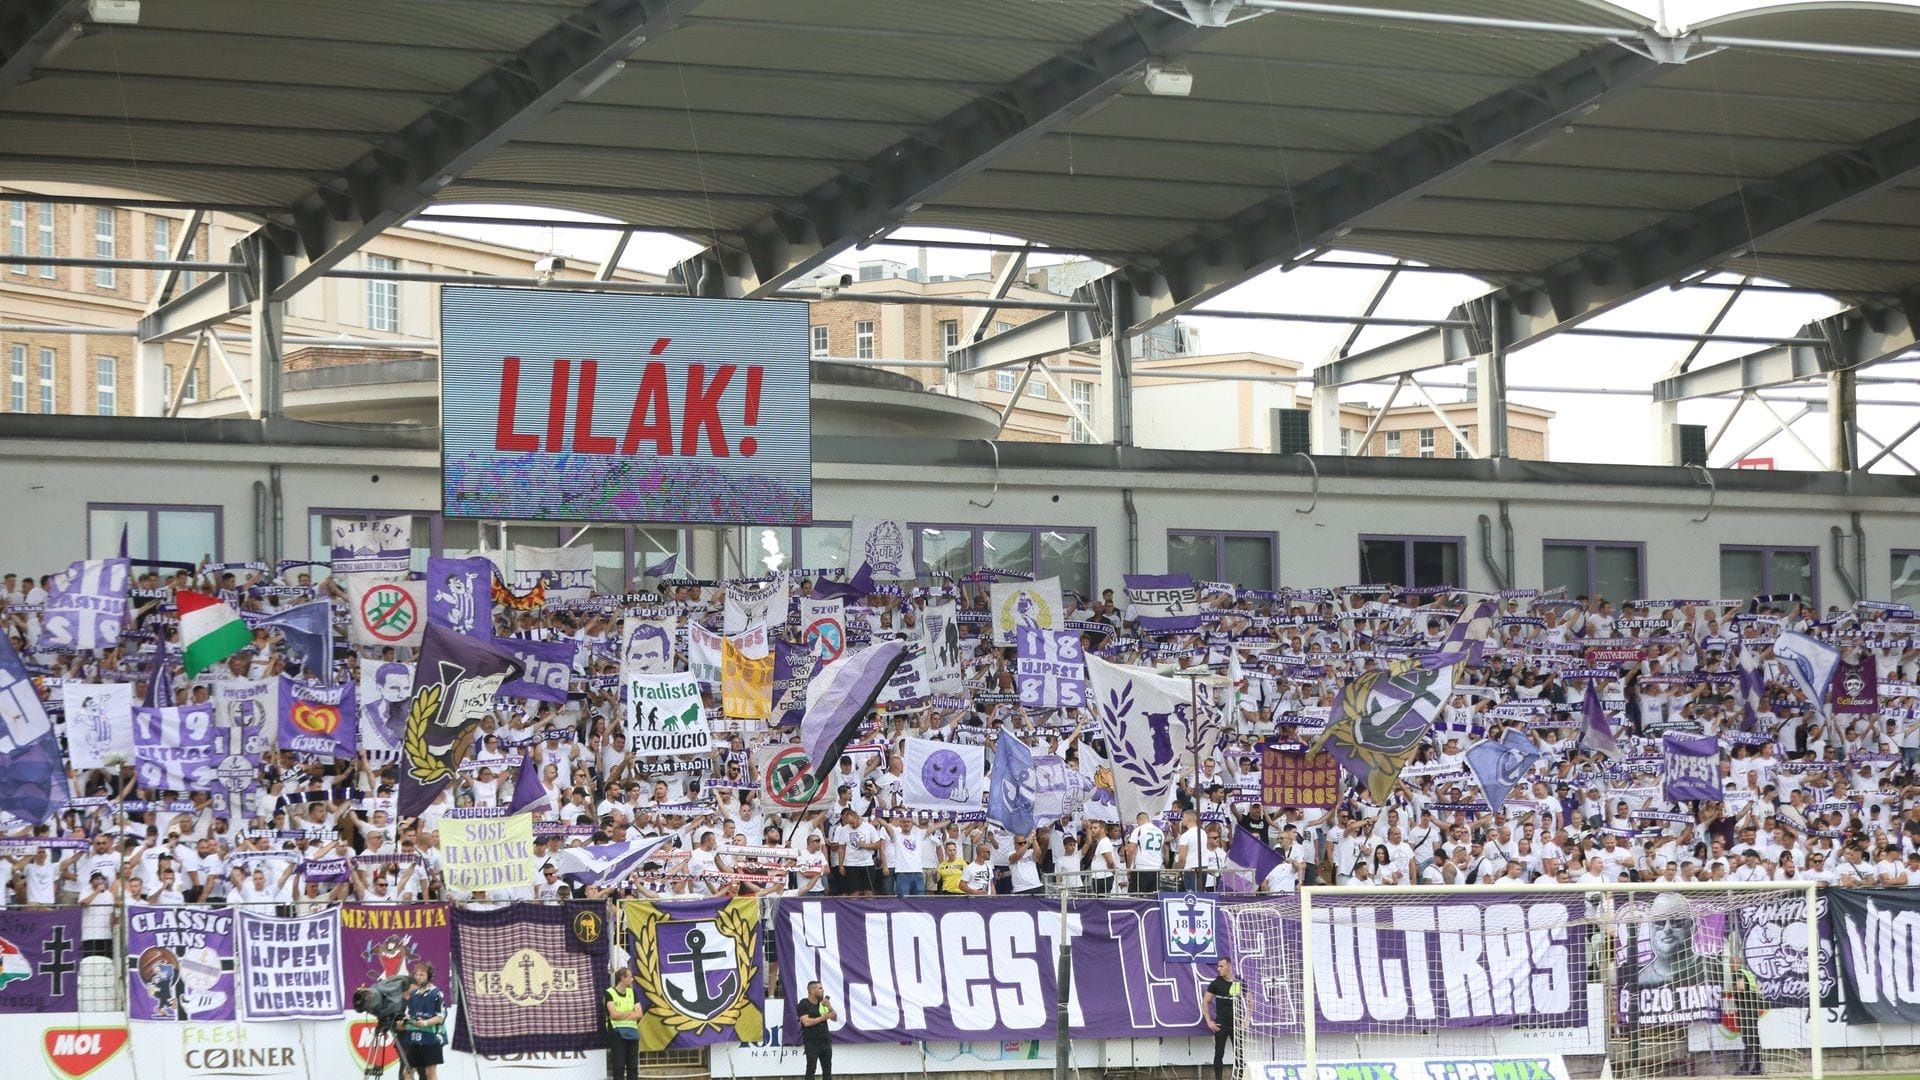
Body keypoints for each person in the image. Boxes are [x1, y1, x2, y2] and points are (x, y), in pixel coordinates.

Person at [399, 961, 445, 1080]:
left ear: (429, 976)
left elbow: (440, 1017)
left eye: (422, 975)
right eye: (417, 975)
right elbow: (408, 1015)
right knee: (407, 1072)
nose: (418, 977)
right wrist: (403, 1022)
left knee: (430, 1073)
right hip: (414, 1037)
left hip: (431, 1037)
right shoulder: (413, 994)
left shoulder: (437, 993)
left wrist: (425, 1023)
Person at [1202, 956, 1241, 1080]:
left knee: (1239, 1055)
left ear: (1229, 966)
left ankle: (1239, 1078)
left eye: (1221, 966)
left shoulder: (1238, 982)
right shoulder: (1216, 983)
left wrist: (1247, 1020)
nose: (1219, 969)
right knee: (1219, 1054)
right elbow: (1205, 1002)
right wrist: (1209, 1021)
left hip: (1237, 1025)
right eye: (1218, 966)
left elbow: (1250, 1000)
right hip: (1221, 1025)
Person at [797, 979, 837, 1080]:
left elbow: (834, 1018)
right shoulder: (803, 1004)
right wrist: (823, 1018)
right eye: (820, 988)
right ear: (812, 990)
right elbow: (806, 1022)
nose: (822, 990)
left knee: (827, 1070)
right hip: (812, 1042)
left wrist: (830, 1007)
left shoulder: (822, 1003)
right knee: (811, 1069)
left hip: (825, 1041)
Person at [606, 967, 641, 1080]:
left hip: (632, 1034)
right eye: (630, 977)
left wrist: (621, 1014)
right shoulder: (609, 993)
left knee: (633, 1067)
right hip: (617, 1034)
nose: (632, 979)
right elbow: (613, 1015)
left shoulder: (632, 992)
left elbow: (639, 1013)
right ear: (622, 978)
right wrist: (630, 1013)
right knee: (619, 1067)